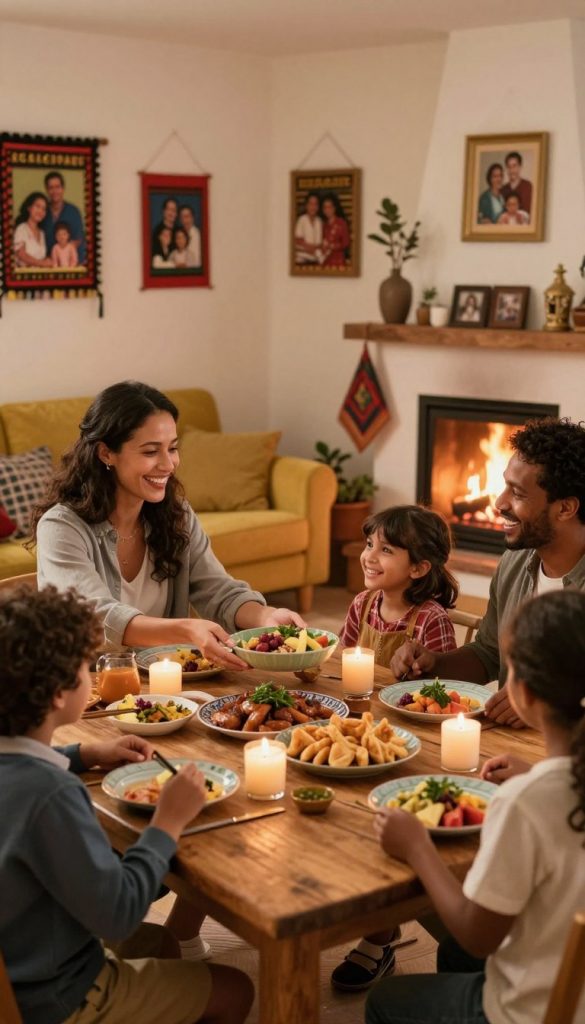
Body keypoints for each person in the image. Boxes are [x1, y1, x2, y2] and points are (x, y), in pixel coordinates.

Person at [0, 584, 254, 1024]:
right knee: (236, 989)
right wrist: (167, 822)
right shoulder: (53, 796)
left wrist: (82, 755)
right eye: (86, 666)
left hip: (23, 955)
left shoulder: (31, 772)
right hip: (57, 995)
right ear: (60, 694)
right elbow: (118, 915)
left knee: (162, 945)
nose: (94, 675)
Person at [366, 589, 585, 1024]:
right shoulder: (555, 785)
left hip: (531, 1012)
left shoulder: (526, 802)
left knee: (385, 1001)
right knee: (453, 957)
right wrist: (535, 775)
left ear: (521, 691)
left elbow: (476, 936)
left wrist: (418, 849)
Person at [331, 505, 458, 992]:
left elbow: (439, 696)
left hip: (411, 740)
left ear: (420, 567)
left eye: (386, 549)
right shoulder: (362, 605)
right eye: (369, 545)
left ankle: (379, 936)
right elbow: (341, 660)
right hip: (361, 728)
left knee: (378, 823)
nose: (370, 556)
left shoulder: (430, 619)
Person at [391, 417, 585, 728]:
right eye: (504, 485)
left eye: (518, 493)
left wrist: (544, 703)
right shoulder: (515, 563)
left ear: (565, 508)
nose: (499, 502)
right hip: (507, 742)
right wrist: (433, 663)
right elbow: (489, 654)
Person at [41, 171, 86, 264]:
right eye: (51, 188)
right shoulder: (42, 212)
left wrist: (61, 256)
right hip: (48, 264)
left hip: (72, 264)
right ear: (46, 190)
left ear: (63, 188)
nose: (54, 191)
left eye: (57, 187)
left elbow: (78, 239)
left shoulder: (73, 212)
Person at [13, 192, 52, 268]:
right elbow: (21, 255)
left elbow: (41, 257)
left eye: (44, 209)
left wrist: (48, 261)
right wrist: (42, 263)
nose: (40, 211)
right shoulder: (21, 229)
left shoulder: (42, 233)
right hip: (23, 276)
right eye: (37, 206)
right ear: (29, 208)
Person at [320, 193, 350, 268]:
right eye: (325, 208)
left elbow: (346, 243)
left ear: (334, 208)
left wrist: (332, 246)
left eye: (329, 207)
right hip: (325, 262)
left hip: (338, 262)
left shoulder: (341, 223)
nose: (327, 210)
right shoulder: (323, 225)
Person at [294, 192, 323, 265]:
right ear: (306, 206)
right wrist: (311, 249)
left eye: (315, 204)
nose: (313, 207)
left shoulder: (319, 221)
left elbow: (320, 243)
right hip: (302, 258)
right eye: (310, 204)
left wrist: (315, 249)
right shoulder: (302, 219)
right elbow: (298, 240)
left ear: (318, 207)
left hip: (316, 258)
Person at [501, 151, 532, 218]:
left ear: (520, 167)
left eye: (514, 166)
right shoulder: (503, 190)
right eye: (509, 167)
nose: (512, 170)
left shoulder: (528, 187)